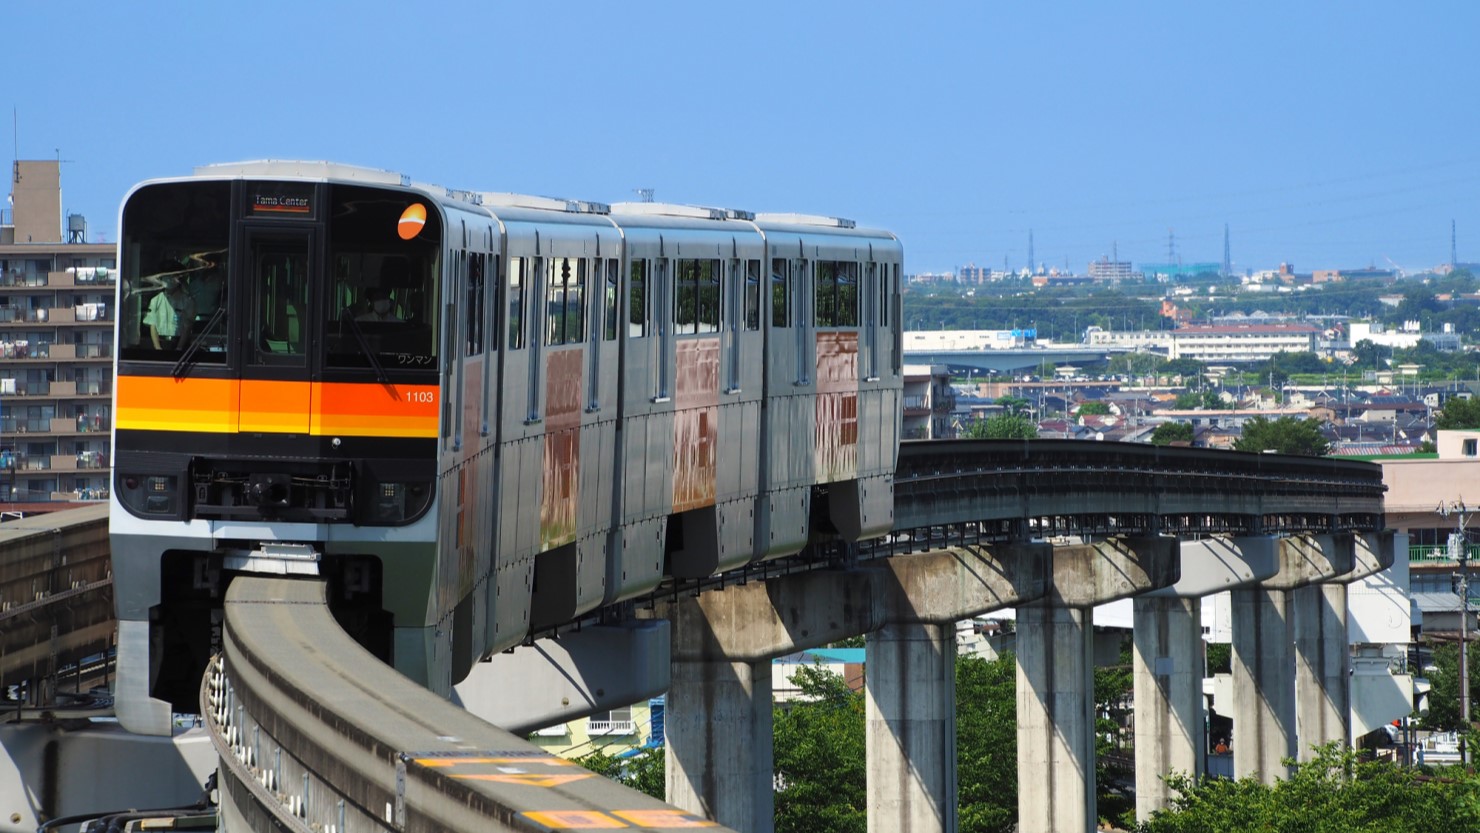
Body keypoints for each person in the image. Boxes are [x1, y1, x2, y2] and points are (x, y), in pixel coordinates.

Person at [144, 276, 196, 349]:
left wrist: (179, 347)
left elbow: (187, 326)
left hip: (179, 343)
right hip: (161, 342)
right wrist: (157, 347)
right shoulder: (155, 300)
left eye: (172, 277)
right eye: (166, 277)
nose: (168, 280)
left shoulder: (187, 301)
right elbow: (153, 325)